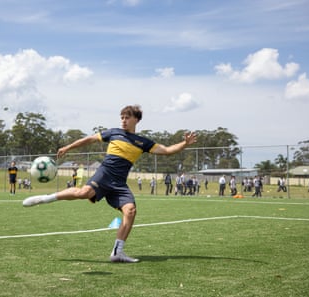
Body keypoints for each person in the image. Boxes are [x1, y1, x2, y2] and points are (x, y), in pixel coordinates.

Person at [23, 105, 197, 263]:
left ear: (136, 120)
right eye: (122, 117)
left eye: (127, 117)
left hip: (119, 183)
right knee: (84, 193)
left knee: (131, 211)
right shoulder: (113, 133)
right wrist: (68, 147)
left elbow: (166, 151)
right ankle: (45, 199)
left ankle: (117, 252)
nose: (123, 120)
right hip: (104, 174)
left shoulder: (143, 142)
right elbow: (89, 140)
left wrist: (185, 143)